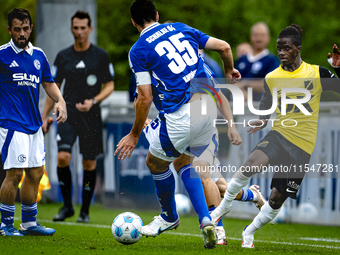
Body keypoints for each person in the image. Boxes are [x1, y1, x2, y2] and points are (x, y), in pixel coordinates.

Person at [115, 0, 240, 249]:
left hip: (181, 116)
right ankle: (207, 220)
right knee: (184, 161)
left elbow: (145, 98)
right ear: (157, 15)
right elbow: (225, 47)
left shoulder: (138, 49)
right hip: (208, 108)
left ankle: (169, 217)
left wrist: (133, 134)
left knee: (154, 162)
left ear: (133, 22)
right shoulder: (180, 28)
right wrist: (230, 71)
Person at [211, 24, 340, 248]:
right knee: (251, 164)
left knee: (274, 200)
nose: (281, 52)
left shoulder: (317, 73)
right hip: (279, 135)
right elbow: (267, 106)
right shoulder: (272, 76)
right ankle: (224, 207)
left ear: (298, 49)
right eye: (278, 48)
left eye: (286, 48)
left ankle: (249, 231)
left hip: (302, 147)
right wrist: (261, 120)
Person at [42, 11, 114, 223]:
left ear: (90, 29)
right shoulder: (63, 56)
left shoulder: (100, 55)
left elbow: (109, 85)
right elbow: (51, 87)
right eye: (76, 27)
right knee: (63, 158)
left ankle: (84, 211)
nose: (80, 32)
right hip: (67, 114)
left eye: (84, 28)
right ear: (71, 29)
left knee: (89, 164)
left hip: (91, 116)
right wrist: (43, 116)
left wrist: (95, 101)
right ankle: (66, 207)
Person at [0, 8, 67, 236]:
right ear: (10, 30)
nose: (21, 33)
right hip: (10, 124)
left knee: (36, 173)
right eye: (17, 29)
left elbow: (48, 82)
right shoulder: (1, 55)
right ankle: (6, 224)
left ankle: (28, 223)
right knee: (14, 174)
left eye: (25, 29)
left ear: (30, 28)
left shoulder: (39, 55)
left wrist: (60, 100)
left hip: (34, 125)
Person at [235, 22, 280, 101]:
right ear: (251, 37)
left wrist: (245, 84)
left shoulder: (272, 61)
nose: (259, 39)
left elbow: (271, 84)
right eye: (256, 35)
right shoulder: (241, 60)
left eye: (262, 35)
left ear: (268, 38)